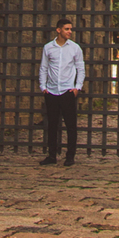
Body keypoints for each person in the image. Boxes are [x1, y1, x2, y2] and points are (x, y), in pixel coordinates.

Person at [40, 16, 84, 167]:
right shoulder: (48, 48)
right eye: (67, 29)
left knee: (71, 125)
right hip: (51, 92)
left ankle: (70, 156)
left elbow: (80, 68)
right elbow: (44, 68)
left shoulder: (75, 48)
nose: (70, 32)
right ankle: (52, 155)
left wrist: (77, 87)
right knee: (52, 125)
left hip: (67, 91)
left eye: (71, 29)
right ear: (58, 30)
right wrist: (43, 87)